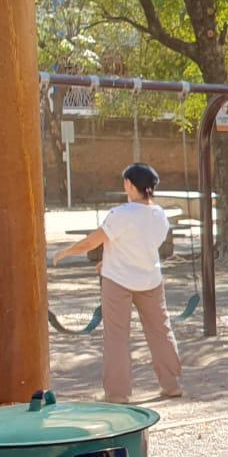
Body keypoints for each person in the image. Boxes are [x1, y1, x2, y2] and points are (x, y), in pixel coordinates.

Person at [54, 163, 183, 404]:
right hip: (150, 280)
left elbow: (91, 242)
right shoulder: (160, 215)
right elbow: (143, 245)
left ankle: (117, 393)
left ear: (131, 185)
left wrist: (65, 253)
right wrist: (109, 261)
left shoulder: (121, 214)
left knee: (117, 336)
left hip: (118, 282)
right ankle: (172, 384)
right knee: (161, 331)